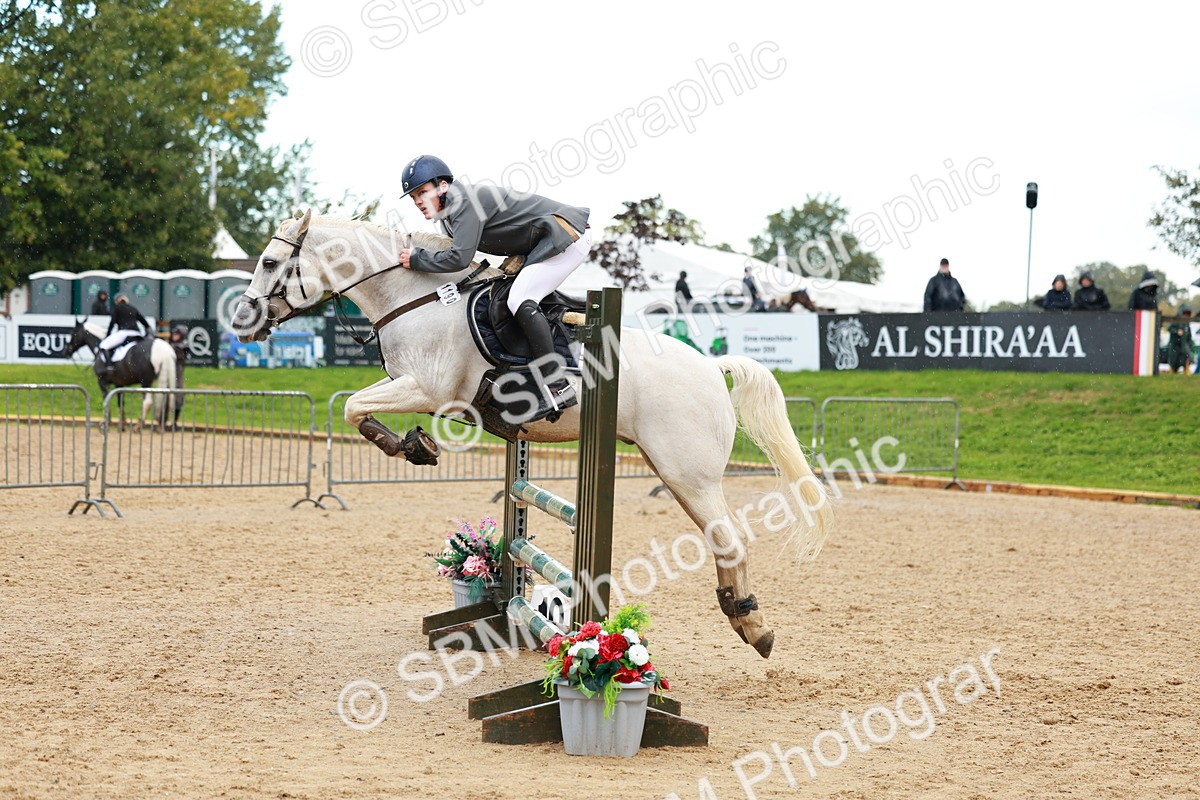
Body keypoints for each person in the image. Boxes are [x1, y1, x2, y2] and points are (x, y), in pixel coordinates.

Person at [396, 155, 590, 422]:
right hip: (542, 242)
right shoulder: (447, 216)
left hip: (567, 236)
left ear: (442, 186)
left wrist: (416, 260)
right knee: (508, 295)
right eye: (413, 196)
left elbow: (459, 258)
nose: (417, 201)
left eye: (421, 192)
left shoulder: (463, 203)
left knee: (519, 298)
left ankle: (558, 386)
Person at [98, 295, 151, 373]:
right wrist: (148, 334)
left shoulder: (117, 308)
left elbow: (112, 323)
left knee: (103, 345)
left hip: (124, 332)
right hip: (137, 333)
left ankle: (109, 366)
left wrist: (107, 335)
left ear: (117, 301)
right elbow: (144, 323)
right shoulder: (133, 308)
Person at [1165, 306, 1195, 374]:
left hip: (1183, 345)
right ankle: (1173, 371)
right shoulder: (1176, 321)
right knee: (1174, 360)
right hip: (1175, 345)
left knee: (1186, 358)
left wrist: (1190, 344)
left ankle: (1186, 370)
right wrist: (1176, 331)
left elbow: (1189, 336)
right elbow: (1170, 328)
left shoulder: (1187, 323)